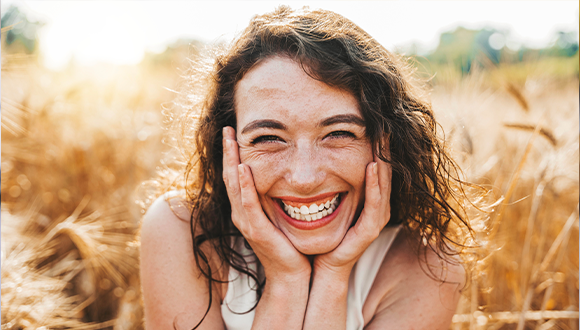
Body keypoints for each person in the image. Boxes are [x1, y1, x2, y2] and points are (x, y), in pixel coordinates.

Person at [140, 6, 477, 330]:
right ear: (229, 149)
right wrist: (286, 281)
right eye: (268, 138)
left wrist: (333, 276)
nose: (304, 178)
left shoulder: (429, 269)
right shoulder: (181, 233)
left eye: (339, 133)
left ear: (384, 143)